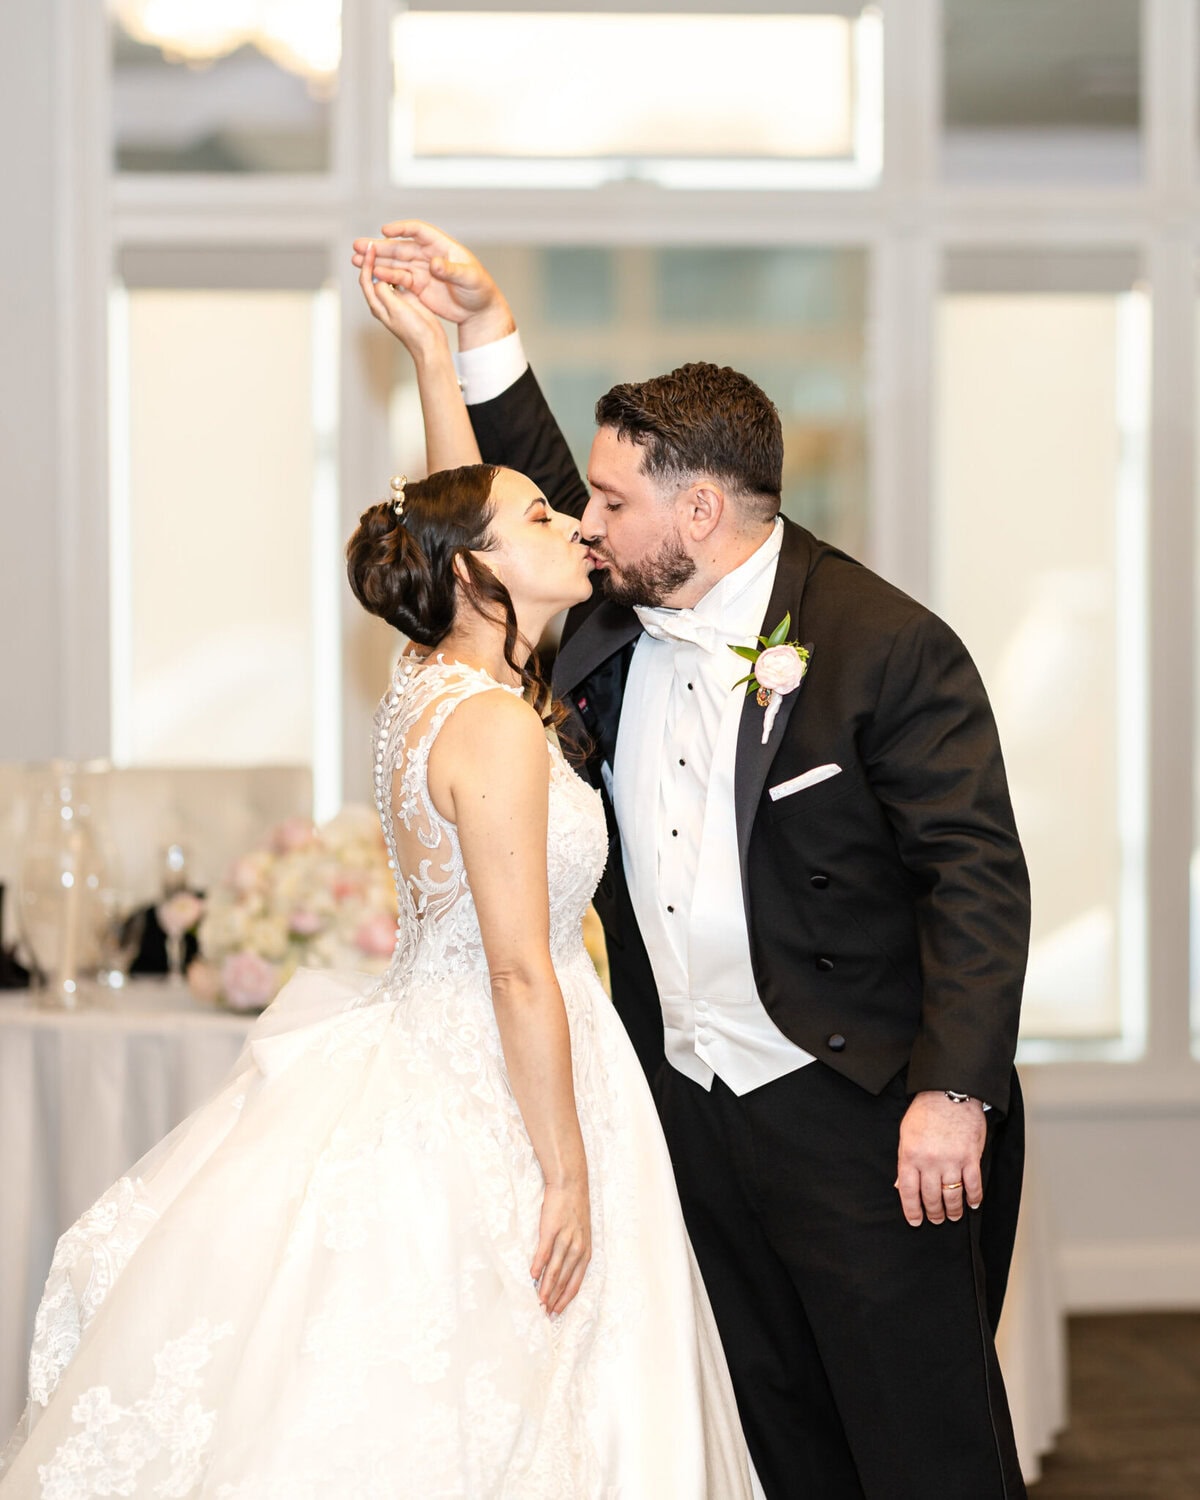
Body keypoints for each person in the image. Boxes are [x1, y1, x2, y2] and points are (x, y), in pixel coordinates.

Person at [0, 287, 754, 1496]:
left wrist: (435, 359)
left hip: (435, 1042)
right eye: (544, 517)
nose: (571, 522)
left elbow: (459, 513)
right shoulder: (499, 729)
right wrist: (565, 1171)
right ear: (481, 580)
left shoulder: (433, 677)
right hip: (516, 1069)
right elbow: (518, 966)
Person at [354, 220, 1033, 1500]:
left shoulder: (887, 647)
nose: (587, 524)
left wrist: (954, 1094)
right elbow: (505, 525)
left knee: (924, 1450)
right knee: (771, 1440)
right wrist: (479, 331)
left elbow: (976, 878)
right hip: (684, 1116)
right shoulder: (611, 615)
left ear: (701, 510)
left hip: (859, 1112)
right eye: (584, 510)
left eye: (610, 505)